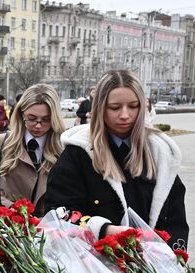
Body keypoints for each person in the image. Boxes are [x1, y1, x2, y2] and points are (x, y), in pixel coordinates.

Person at [45, 69, 188, 248]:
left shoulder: (160, 153)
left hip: (151, 267)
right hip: (95, 265)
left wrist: (169, 261)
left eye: (133, 106)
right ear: (100, 108)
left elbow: (175, 220)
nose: (125, 115)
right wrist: (103, 230)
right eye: (115, 107)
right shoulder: (78, 154)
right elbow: (58, 212)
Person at [0, 84, 65, 217]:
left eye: (46, 120)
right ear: (21, 114)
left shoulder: (64, 149)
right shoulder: (1, 143)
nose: (38, 125)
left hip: (48, 232)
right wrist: (10, 210)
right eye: (32, 118)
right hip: (6, 229)